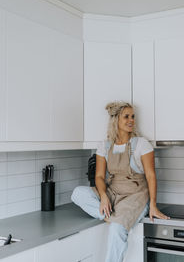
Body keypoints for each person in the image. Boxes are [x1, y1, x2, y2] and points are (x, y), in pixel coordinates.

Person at [71, 101, 169, 262]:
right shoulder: (105, 145)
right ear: (116, 120)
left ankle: (117, 220)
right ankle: (115, 216)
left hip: (135, 195)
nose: (131, 120)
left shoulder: (141, 144)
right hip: (113, 191)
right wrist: (103, 196)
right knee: (78, 193)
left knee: (116, 229)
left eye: (133, 116)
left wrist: (153, 204)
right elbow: (99, 177)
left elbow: (151, 176)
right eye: (126, 117)